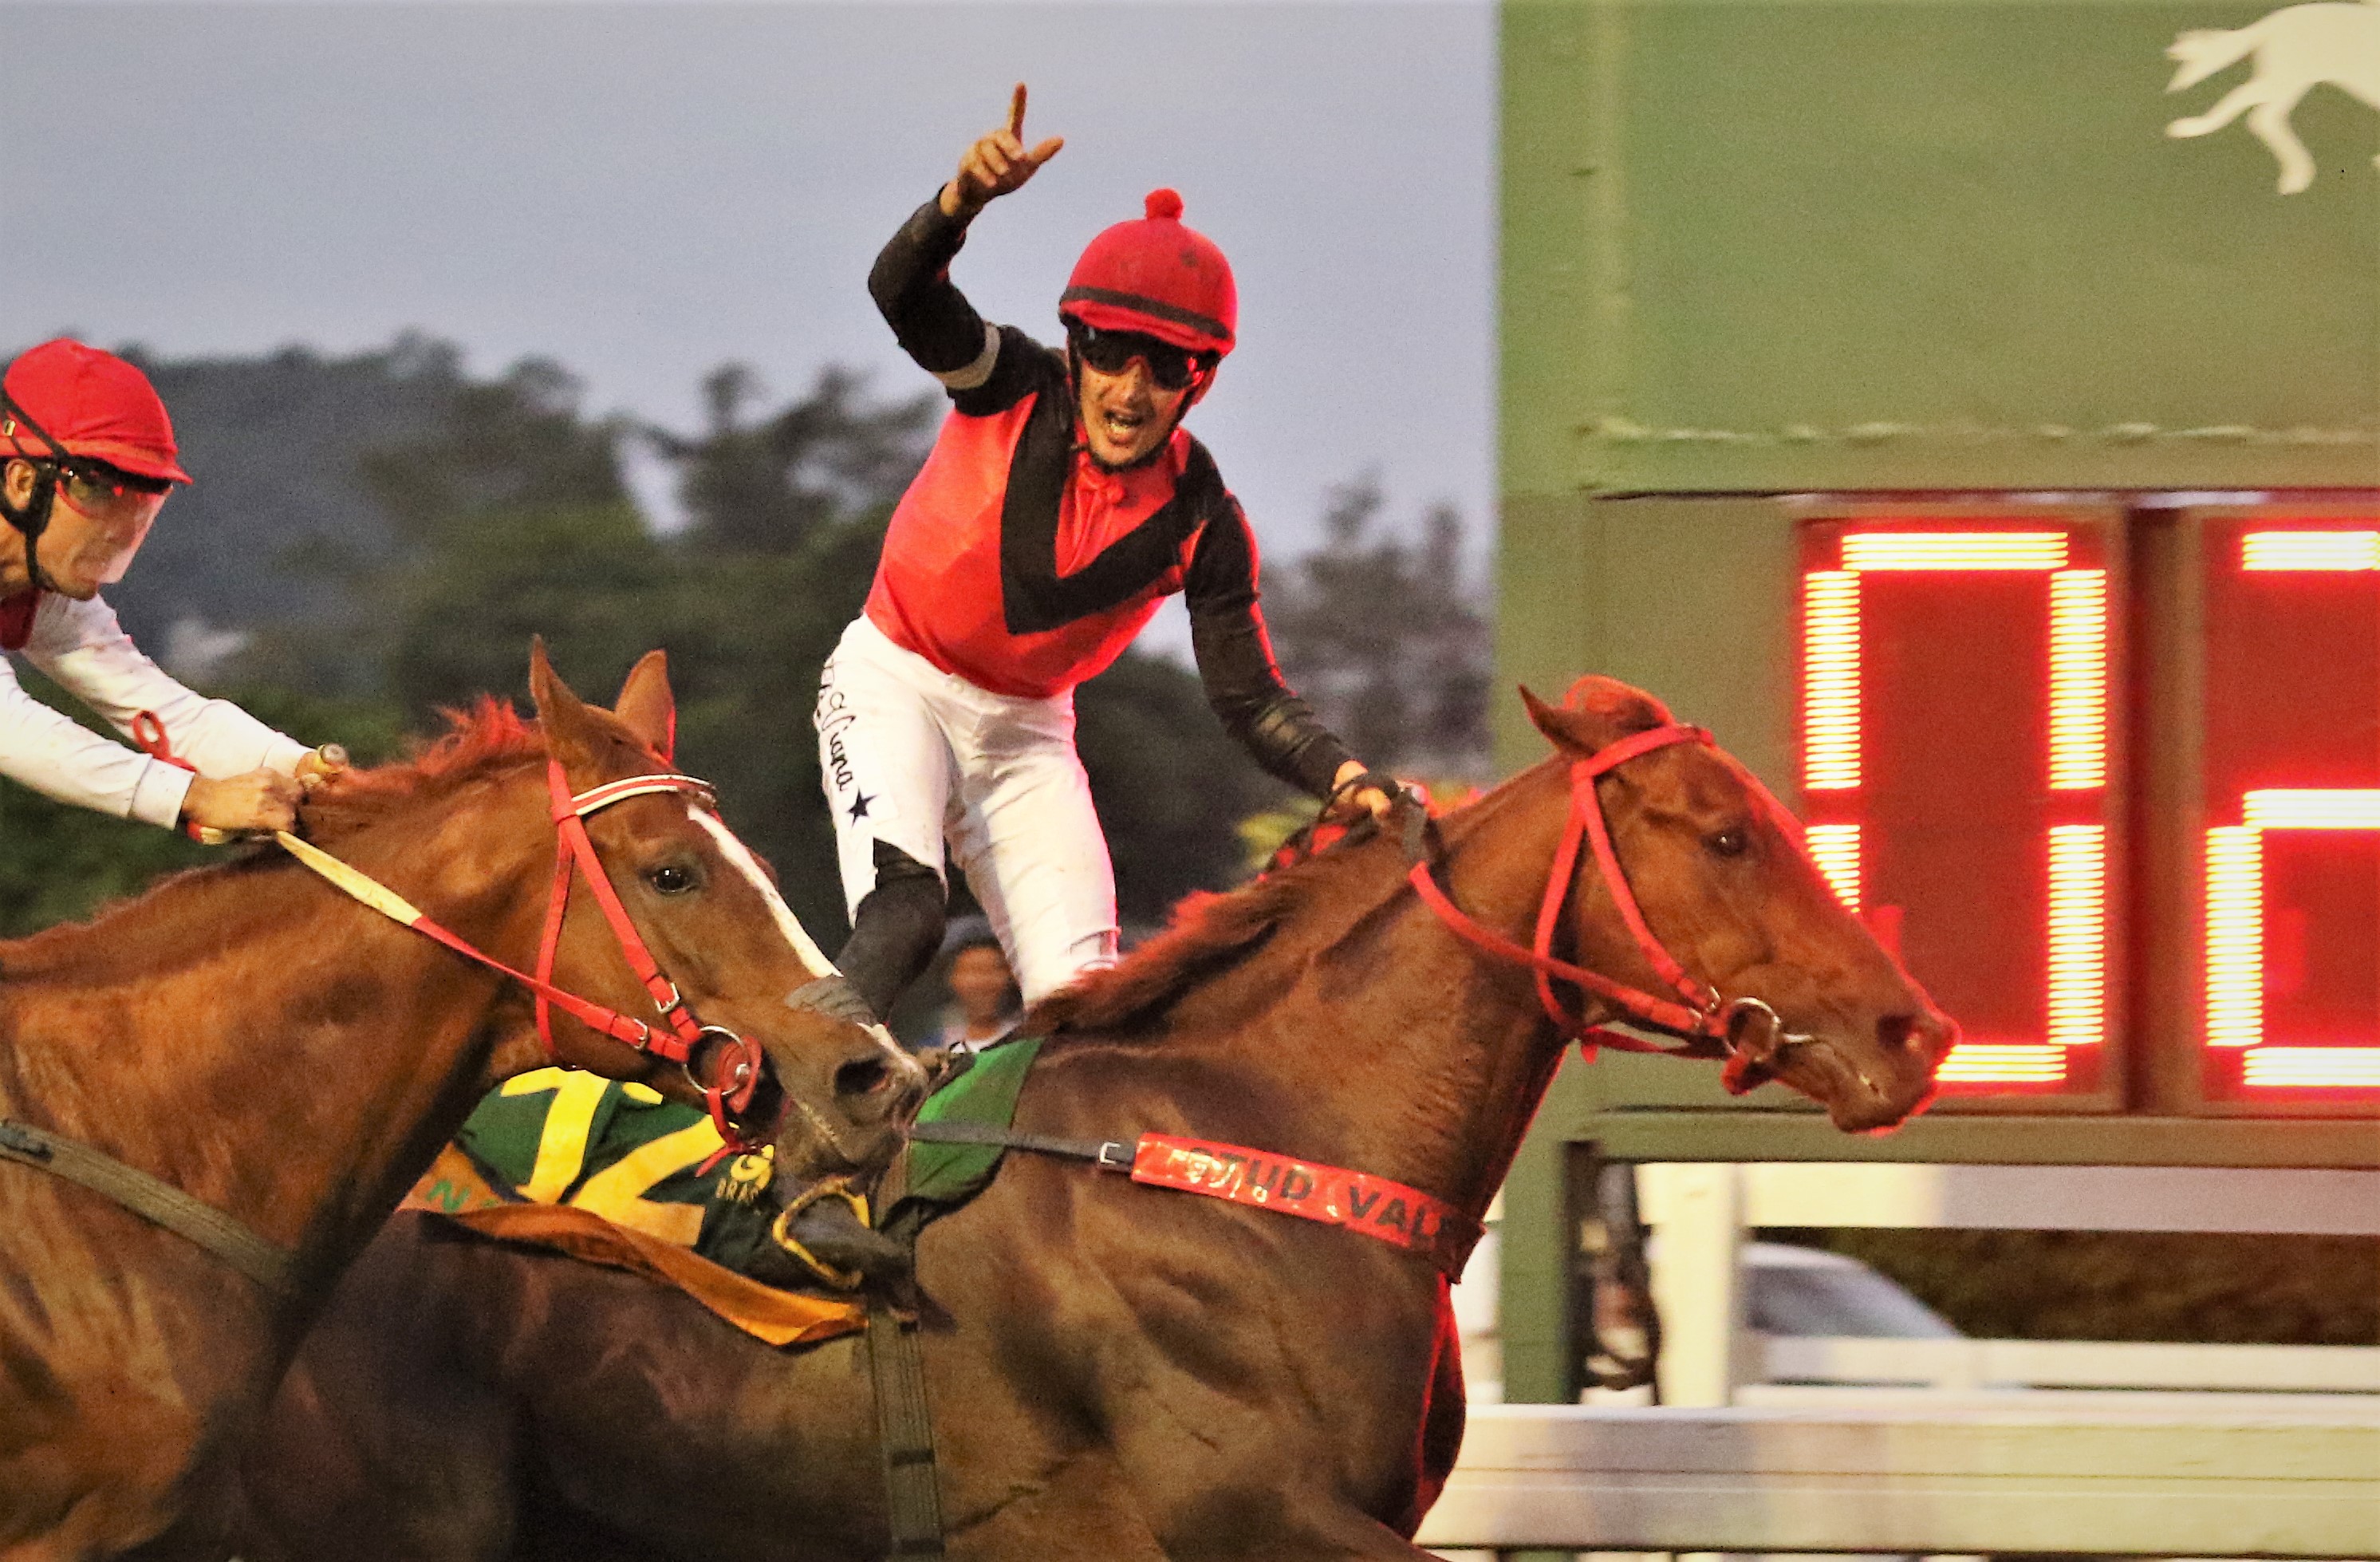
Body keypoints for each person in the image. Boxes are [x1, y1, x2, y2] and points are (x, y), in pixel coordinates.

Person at [815, 84, 1397, 1031]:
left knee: (1091, 1014)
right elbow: (901, 293)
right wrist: (959, 201)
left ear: (1197, 383)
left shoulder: (1205, 519)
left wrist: (1348, 777)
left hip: (1025, 735)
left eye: (1165, 367)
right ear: (1076, 344)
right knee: (906, 919)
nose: (1131, 390)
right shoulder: (1011, 380)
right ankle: (768, 1129)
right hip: (895, 681)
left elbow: (1249, 700)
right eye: (1114, 353)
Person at [0, 338, 343, 839]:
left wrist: (305, 773)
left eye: (140, 497)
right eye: (99, 487)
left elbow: (170, 716)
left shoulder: (43, 590)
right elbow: (10, 729)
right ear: (23, 481)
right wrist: (197, 796)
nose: (120, 528)